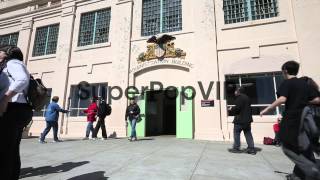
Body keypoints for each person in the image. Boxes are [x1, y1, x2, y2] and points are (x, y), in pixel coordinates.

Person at [260, 61, 320, 180]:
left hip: (292, 121)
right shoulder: (305, 84)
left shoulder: (287, 83)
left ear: (285, 70)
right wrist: (303, 101)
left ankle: (312, 171)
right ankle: (298, 176)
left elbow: (282, 99)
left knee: (287, 147)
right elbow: (317, 99)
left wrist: (266, 109)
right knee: (303, 148)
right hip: (305, 122)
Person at [0, 45, 33, 180]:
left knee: (5, 151)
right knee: (11, 150)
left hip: (12, 109)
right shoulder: (7, 66)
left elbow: (22, 80)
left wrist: (5, 98)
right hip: (17, 110)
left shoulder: (12, 63)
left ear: (8, 53)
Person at [228, 87, 256, 155]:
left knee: (236, 133)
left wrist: (231, 109)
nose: (234, 92)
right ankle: (251, 149)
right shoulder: (247, 98)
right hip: (248, 120)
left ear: (238, 91)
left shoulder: (239, 98)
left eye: (235, 91)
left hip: (239, 120)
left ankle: (236, 148)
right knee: (248, 134)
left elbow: (237, 109)